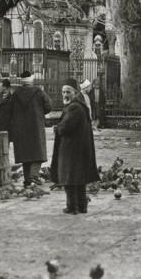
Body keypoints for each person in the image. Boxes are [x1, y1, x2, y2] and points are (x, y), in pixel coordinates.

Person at [50, 78, 99, 214]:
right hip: (78, 149)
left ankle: (72, 207)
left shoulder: (74, 107)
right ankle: (82, 206)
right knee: (79, 179)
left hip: (71, 149)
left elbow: (66, 126)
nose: (65, 95)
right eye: (63, 92)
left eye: (68, 92)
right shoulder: (79, 105)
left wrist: (57, 128)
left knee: (69, 179)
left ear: (75, 92)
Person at [11, 71, 53, 186]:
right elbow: (49, 106)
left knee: (25, 154)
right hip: (36, 126)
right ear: (31, 80)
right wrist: (39, 112)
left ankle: (27, 180)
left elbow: (9, 108)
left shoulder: (16, 93)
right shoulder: (39, 91)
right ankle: (34, 175)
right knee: (38, 152)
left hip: (21, 127)